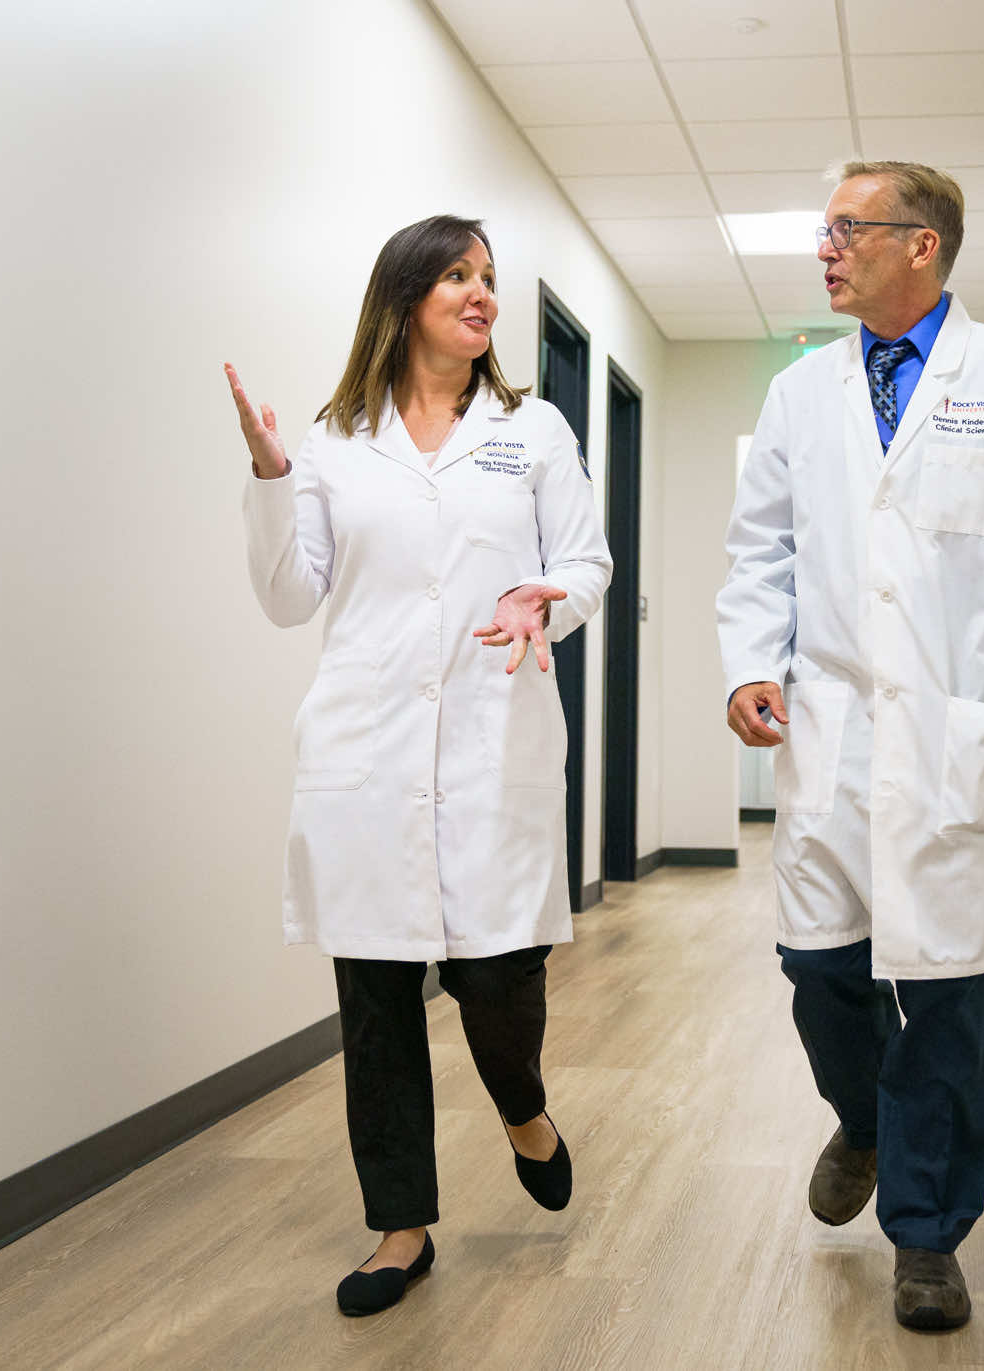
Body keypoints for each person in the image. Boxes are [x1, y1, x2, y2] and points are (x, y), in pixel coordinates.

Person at [716, 162, 984, 1331]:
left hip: (964, 732)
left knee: (949, 997)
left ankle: (929, 1235)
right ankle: (867, 1120)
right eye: (826, 230)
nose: (827, 249)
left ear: (923, 246)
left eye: (850, 229)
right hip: (834, 732)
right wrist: (750, 664)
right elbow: (760, 559)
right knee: (819, 970)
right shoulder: (801, 395)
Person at [227, 214, 611, 1317]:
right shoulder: (332, 440)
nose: (481, 295)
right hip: (365, 750)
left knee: (498, 980)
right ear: (403, 300)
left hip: (496, 741)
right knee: (376, 1002)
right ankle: (401, 1229)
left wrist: (556, 596)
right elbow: (289, 593)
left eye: (489, 278)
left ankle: (523, 1110)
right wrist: (268, 475)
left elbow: (582, 559)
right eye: (456, 276)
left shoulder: (531, 431)